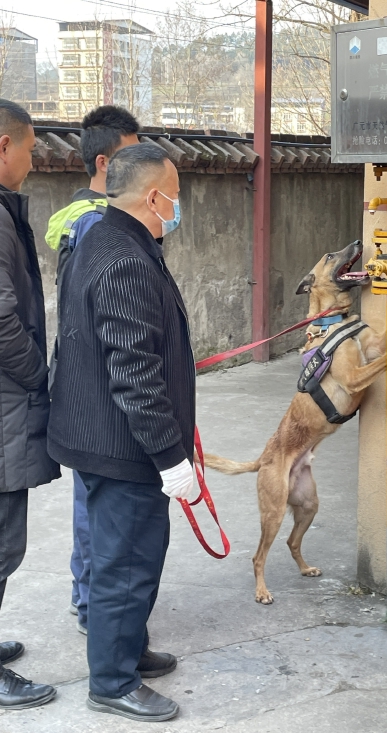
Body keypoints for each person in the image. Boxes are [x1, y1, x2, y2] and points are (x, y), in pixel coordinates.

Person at [48, 143, 195, 722]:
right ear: (153, 196)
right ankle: (111, 681)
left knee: (131, 555)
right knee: (126, 563)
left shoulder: (110, 239)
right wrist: (170, 456)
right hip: (121, 441)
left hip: (105, 432)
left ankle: (127, 650)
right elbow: (134, 372)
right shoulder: (124, 257)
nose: (177, 208)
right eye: (175, 197)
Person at [45, 105, 139, 636]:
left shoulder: (93, 219)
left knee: (98, 498)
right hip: (97, 389)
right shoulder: (94, 226)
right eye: (133, 156)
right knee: (100, 501)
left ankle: (92, 599)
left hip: (93, 382)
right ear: (104, 163)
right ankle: (92, 605)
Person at [0, 99, 60, 709]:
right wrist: (36, 377)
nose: (33, 158)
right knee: (1, 541)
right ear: (3, 146)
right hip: (6, 404)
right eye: (30, 147)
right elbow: (0, 321)